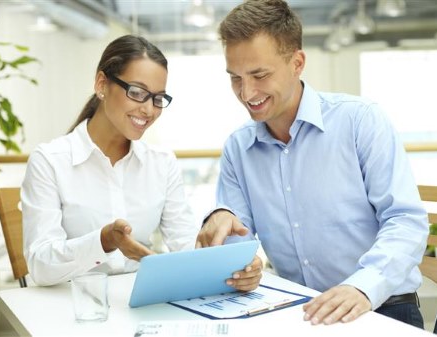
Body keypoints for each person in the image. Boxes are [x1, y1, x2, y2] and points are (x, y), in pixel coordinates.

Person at [196, 0, 429, 328]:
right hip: (300, 315)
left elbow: (405, 220)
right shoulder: (238, 147)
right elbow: (237, 244)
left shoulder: (360, 120)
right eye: (235, 78)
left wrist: (362, 286)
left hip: (382, 307)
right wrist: (238, 265)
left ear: (297, 63)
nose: (246, 93)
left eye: (259, 75)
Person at [21, 35, 200, 286]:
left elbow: (187, 245)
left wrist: (232, 264)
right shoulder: (50, 161)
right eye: (137, 92)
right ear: (102, 84)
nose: (149, 110)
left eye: (158, 98)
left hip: (142, 300)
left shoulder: (161, 163)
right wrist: (104, 241)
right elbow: (40, 266)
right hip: (74, 308)